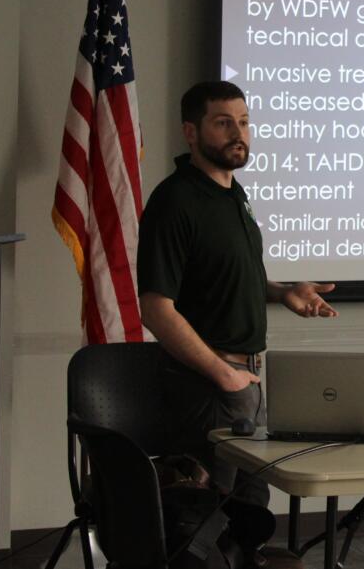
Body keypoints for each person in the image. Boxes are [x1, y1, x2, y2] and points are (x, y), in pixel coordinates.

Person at [138, 80, 336, 508]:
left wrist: (283, 292)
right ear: (190, 131)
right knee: (208, 513)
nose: (238, 134)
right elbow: (155, 308)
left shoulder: (233, 195)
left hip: (243, 379)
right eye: (224, 123)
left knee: (248, 509)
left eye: (244, 122)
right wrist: (220, 372)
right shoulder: (175, 201)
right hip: (206, 386)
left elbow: (224, 275)